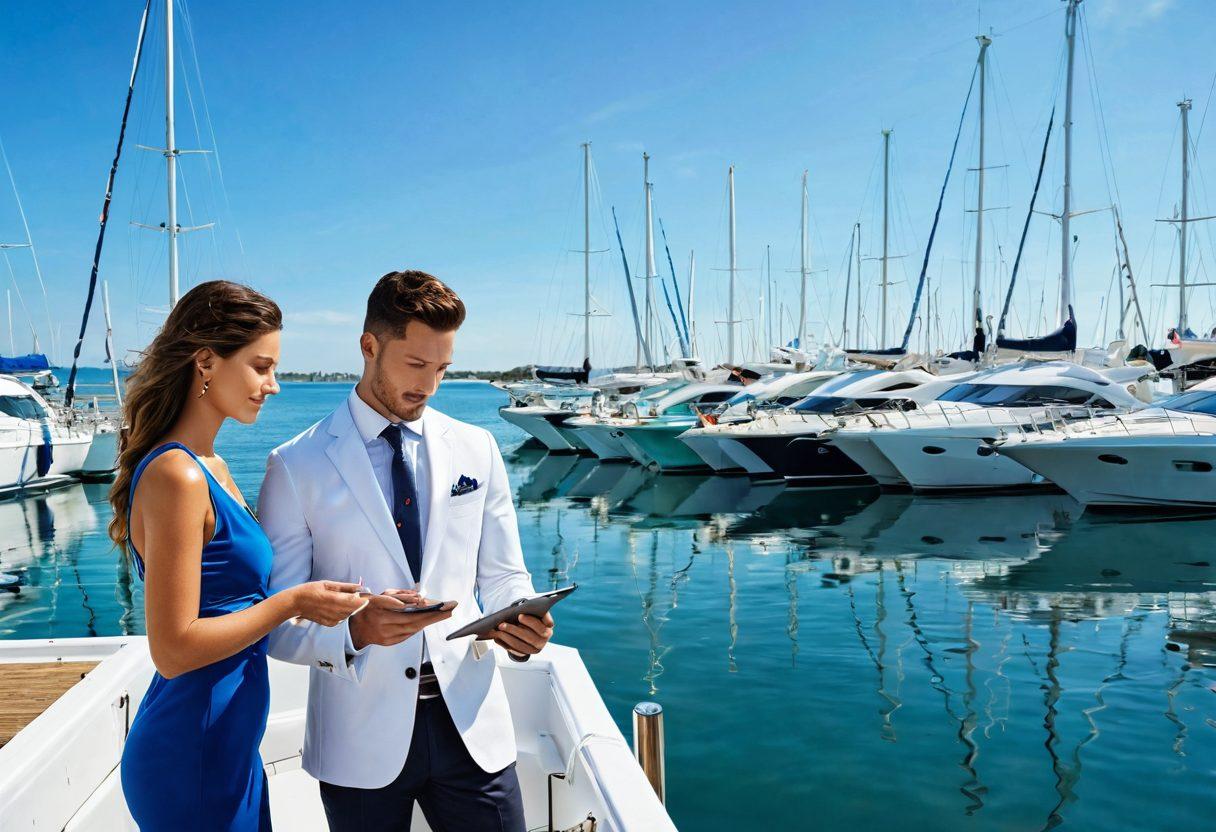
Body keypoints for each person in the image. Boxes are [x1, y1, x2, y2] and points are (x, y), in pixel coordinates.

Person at [260, 269, 553, 832]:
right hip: (357, 738)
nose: (430, 385)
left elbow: (504, 576)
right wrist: (357, 630)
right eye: (416, 365)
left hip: (472, 727)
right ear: (369, 347)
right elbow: (279, 621)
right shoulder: (295, 465)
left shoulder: (478, 446)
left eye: (442, 368)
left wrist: (523, 621)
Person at [111, 280, 367, 831]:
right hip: (192, 752)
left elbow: (231, 599)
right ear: (206, 363)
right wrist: (292, 602)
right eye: (260, 366)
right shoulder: (177, 475)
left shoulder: (213, 467)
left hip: (227, 747)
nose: (273, 386)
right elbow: (174, 650)